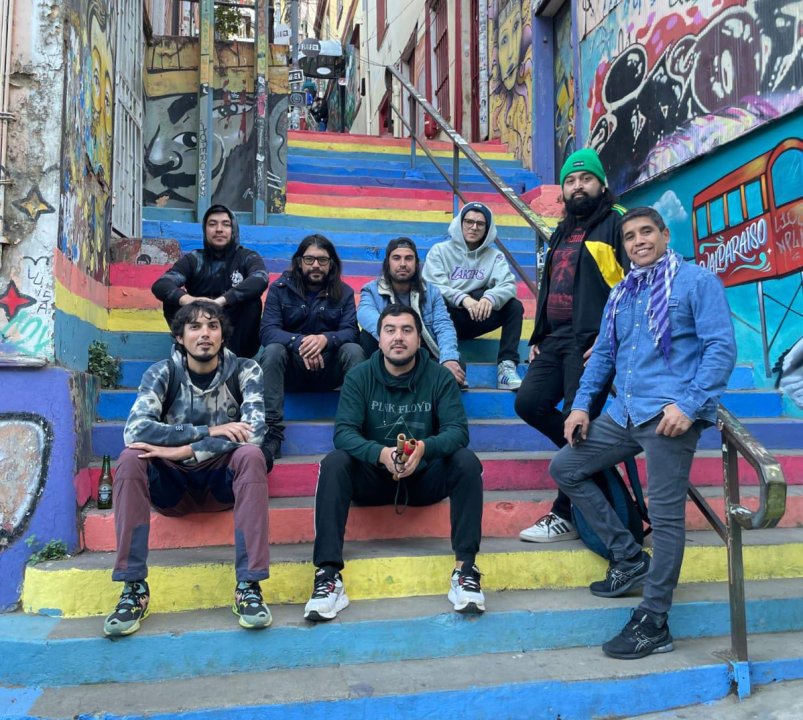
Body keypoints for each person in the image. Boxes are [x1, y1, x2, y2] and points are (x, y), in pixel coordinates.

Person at [551, 207, 736, 659]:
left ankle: (654, 621)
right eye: (630, 235)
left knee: (667, 519)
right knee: (566, 467)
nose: (638, 241)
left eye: (647, 231)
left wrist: (690, 405)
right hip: (625, 412)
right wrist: (580, 405)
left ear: (665, 235)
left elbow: (721, 348)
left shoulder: (696, 282)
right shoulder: (623, 292)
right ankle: (630, 557)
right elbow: (603, 355)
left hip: (670, 417)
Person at [304, 304, 485, 621]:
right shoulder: (359, 376)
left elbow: (458, 432)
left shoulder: (439, 377)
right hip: (373, 479)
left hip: (424, 479)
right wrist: (381, 454)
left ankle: (465, 570)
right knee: (334, 463)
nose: (398, 337)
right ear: (379, 337)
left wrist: (423, 449)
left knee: (466, 462)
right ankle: (328, 576)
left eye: (406, 330)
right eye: (390, 330)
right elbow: (343, 433)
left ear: (419, 338)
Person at [103, 300, 271, 637]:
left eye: (212, 326)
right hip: (172, 485)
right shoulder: (162, 373)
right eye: (195, 327)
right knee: (130, 458)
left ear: (223, 335)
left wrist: (186, 449)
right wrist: (208, 431)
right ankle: (133, 588)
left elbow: (254, 432)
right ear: (180, 337)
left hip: (221, 482)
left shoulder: (245, 370)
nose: (204, 334)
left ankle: (249, 586)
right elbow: (135, 431)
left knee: (252, 456)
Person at [516, 147, 629, 543]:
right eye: (570, 180)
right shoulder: (563, 229)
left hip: (591, 342)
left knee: (575, 422)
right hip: (555, 339)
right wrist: (538, 334)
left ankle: (563, 514)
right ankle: (596, 462)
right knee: (528, 403)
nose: (578, 186)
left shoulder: (618, 223)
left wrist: (612, 335)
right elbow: (552, 284)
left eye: (586, 179)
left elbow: (634, 286)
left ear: (601, 183)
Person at [258, 234, 364, 463]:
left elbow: (351, 332)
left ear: (331, 263)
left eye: (322, 260)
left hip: (328, 370)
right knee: (273, 350)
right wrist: (301, 343)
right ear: (299, 262)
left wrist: (325, 339)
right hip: (291, 370)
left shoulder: (344, 292)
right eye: (309, 259)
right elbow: (268, 331)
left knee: (354, 351)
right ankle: (272, 433)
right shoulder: (279, 289)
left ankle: (351, 428)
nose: (316, 265)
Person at [422, 201, 524, 390]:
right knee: (435, 300)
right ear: (460, 223)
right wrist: (464, 299)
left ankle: (506, 367)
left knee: (514, 306)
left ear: (487, 229)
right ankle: (448, 364)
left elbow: (508, 285)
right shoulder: (440, 251)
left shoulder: (495, 256)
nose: (474, 227)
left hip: (477, 316)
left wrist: (489, 298)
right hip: (445, 320)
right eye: (469, 221)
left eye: (480, 223)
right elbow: (432, 285)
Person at [152, 204, 269, 359]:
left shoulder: (247, 257)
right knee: (172, 299)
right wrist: (191, 301)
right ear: (205, 230)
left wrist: (221, 301)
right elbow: (161, 285)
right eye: (212, 224)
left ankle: (234, 359)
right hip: (199, 322)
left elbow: (260, 279)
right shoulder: (194, 259)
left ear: (233, 230)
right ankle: (188, 349)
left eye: (225, 224)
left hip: (237, 337)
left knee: (252, 300)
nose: (219, 229)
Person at [358, 237, 466, 388]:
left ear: (416, 263)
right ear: (388, 263)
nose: (403, 264)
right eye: (396, 258)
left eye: (408, 258)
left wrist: (449, 359)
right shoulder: (371, 290)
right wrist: (398, 339)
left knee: (457, 364)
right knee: (367, 335)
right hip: (390, 356)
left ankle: (414, 385)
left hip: (423, 356)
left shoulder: (432, 292)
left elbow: (444, 326)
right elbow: (364, 314)